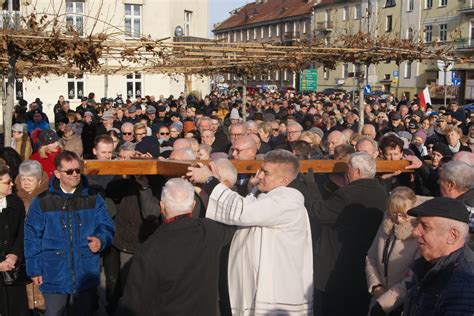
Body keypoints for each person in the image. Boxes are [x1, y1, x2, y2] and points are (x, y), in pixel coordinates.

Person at [187, 149, 313, 315]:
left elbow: (242, 211)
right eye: (260, 170)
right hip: (255, 286)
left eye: (265, 173)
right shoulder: (266, 197)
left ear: (284, 180)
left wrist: (210, 180)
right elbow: (233, 212)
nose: (259, 176)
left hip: (276, 292)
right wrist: (203, 191)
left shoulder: (288, 200)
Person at [116, 178, 235, 316]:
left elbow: (133, 305)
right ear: (193, 205)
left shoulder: (149, 250)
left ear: (161, 206)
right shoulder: (209, 231)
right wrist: (205, 191)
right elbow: (233, 221)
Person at [24, 151, 115, 316]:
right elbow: (31, 236)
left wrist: (101, 240)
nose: (75, 174)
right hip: (53, 272)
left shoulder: (93, 197)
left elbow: (106, 225)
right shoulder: (43, 201)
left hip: (85, 271)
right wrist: (35, 269)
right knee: (54, 312)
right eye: (69, 171)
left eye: (77, 170)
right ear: (58, 173)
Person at [308, 152, 388, 316]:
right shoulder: (382, 192)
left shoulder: (347, 194)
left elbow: (320, 213)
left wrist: (310, 186)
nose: (346, 173)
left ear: (357, 172)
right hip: (365, 264)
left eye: (348, 169)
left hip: (338, 265)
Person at [404, 197, 474, 315]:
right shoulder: (429, 264)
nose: (415, 232)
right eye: (417, 224)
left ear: (452, 236)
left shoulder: (464, 284)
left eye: (425, 226)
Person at [365, 187, 420, 316]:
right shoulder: (386, 225)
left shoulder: (418, 235)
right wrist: (376, 286)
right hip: (378, 299)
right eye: (393, 214)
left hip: (403, 305)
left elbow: (413, 277)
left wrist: (386, 300)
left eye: (403, 215)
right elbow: (371, 258)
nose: (398, 219)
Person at [15, 160, 48, 312]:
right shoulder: (15, 200)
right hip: (21, 252)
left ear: (39, 180)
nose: (26, 183)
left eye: (30, 179)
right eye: (23, 179)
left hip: (44, 252)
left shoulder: (46, 199)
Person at [0, 163, 29, 316]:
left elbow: (21, 232)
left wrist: (14, 254)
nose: (12, 184)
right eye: (7, 182)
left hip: (12, 272)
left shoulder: (15, 203)